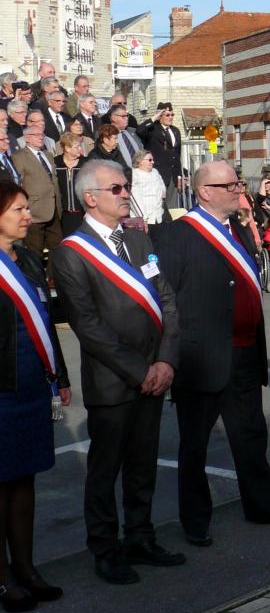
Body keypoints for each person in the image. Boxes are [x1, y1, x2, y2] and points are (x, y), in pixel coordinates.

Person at [152, 161, 270, 546]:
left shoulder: (237, 228)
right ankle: (195, 520)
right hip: (202, 356)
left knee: (251, 434)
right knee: (195, 443)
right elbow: (165, 298)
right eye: (230, 184)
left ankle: (263, 505)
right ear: (205, 192)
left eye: (238, 182)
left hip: (244, 351)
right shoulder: (178, 235)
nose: (239, 188)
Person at [49, 160, 184, 585]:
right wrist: (139, 369)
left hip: (154, 373)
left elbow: (167, 302)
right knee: (106, 470)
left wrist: (165, 361)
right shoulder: (72, 253)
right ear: (91, 198)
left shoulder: (140, 241)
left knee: (144, 463)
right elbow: (87, 325)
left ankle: (140, 537)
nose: (126, 193)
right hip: (114, 380)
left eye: (126, 187)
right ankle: (105, 549)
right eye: (117, 188)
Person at [0, 181, 71, 612]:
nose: (29, 216)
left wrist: (58, 374)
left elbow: (44, 322)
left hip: (31, 385)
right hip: (1, 390)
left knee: (24, 480)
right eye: (19, 210)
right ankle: (3, 577)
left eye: (28, 208)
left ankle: (25, 568)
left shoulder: (26, 258)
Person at [10, 127, 62, 256]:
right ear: (27, 138)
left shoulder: (48, 155)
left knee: (58, 249)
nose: (41, 137)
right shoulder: (19, 157)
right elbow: (18, 183)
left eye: (42, 134)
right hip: (34, 211)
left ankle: (53, 276)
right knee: (34, 252)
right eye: (36, 135)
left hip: (54, 208)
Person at [136, 104, 183, 206]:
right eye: (167, 115)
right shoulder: (153, 129)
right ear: (160, 115)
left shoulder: (175, 131)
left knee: (173, 207)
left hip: (172, 176)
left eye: (172, 114)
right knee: (158, 205)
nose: (170, 117)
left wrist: (179, 176)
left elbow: (177, 155)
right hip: (158, 173)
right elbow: (139, 130)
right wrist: (154, 118)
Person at [54, 132, 86, 236]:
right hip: (62, 216)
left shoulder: (85, 163)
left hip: (82, 215)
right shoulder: (55, 163)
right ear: (67, 148)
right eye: (77, 147)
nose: (80, 149)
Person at [130, 151, 167, 226]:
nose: (152, 162)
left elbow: (162, 185)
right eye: (150, 160)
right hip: (144, 220)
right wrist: (143, 218)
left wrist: (163, 192)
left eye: (153, 160)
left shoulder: (155, 172)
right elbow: (135, 198)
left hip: (159, 217)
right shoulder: (134, 174)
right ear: (140, 161)